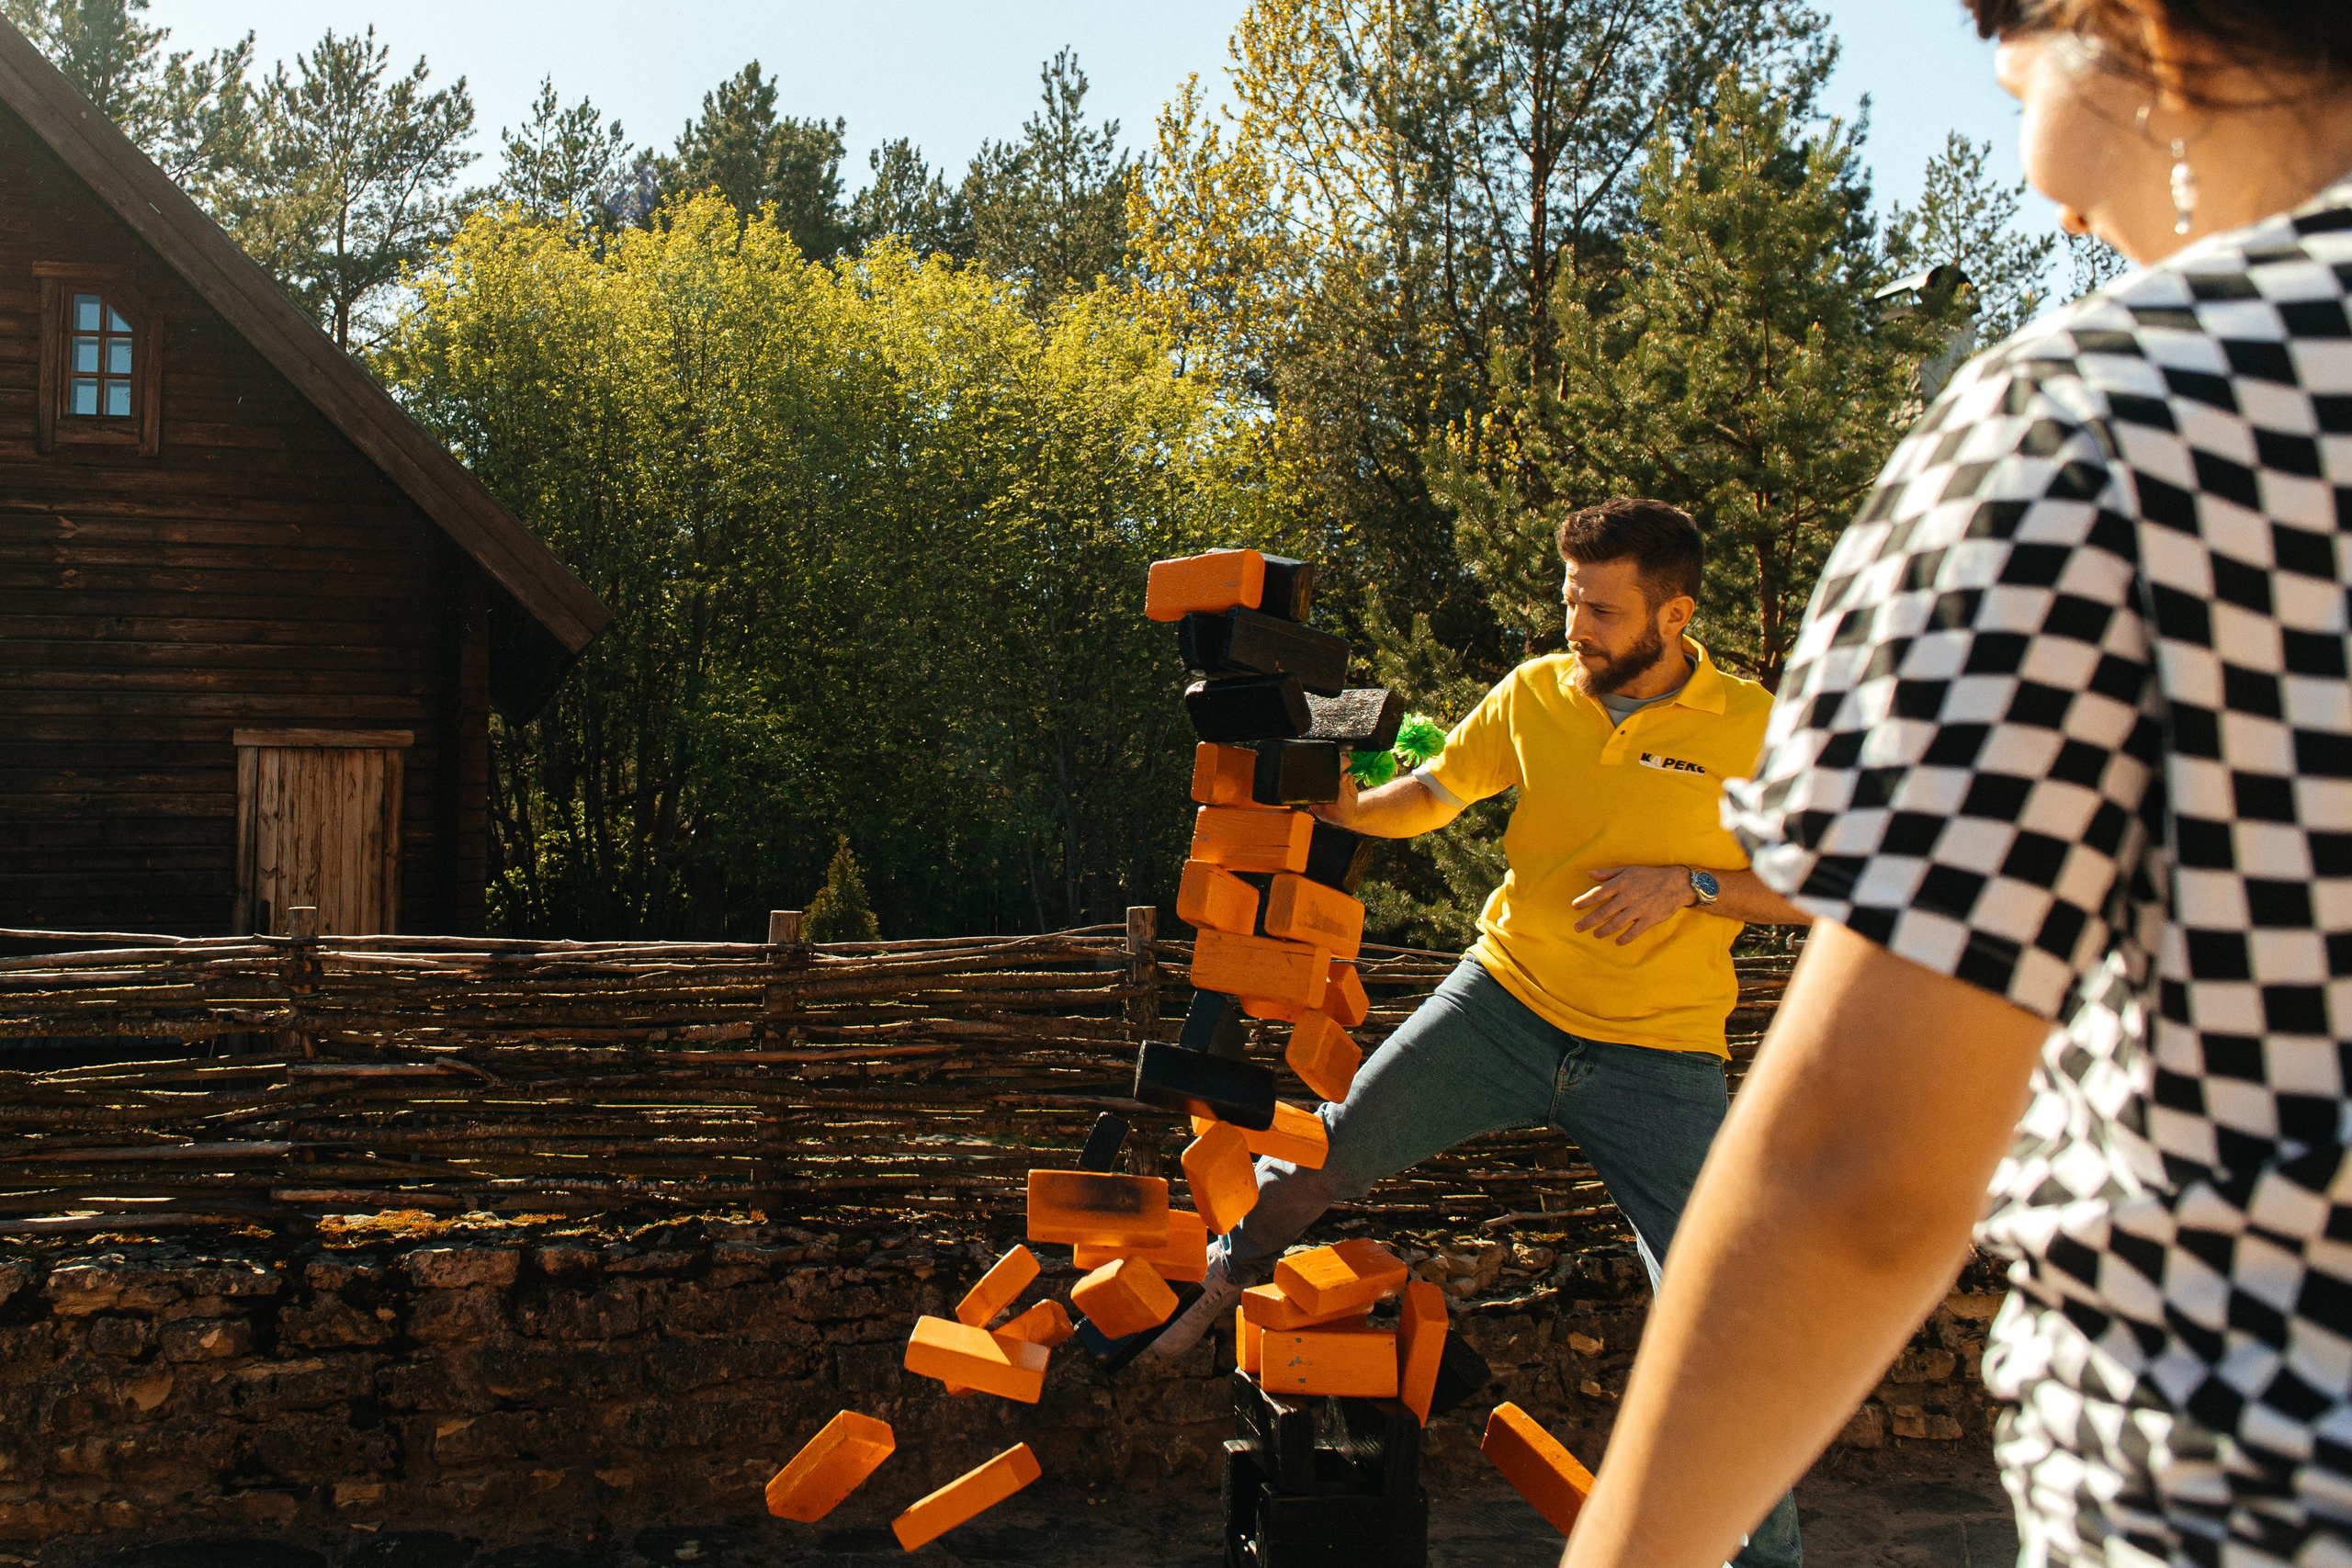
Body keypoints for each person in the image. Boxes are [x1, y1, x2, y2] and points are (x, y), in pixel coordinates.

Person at [1555, 6, 2352, 1567]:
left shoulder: (2108, 429)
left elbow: (1857, 1171)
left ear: (2136, 31)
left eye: (2015, 83)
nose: (2043, 185)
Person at [1148, 497, 1815, 1568]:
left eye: (1599, 610)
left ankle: (1765, 1558)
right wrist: (1342, 806)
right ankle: (1216, 1278)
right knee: (1328, 1149)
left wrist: (1692, 884)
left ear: (1676, 612)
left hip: (1660, 1058)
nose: (1574, 627)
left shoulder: (1757, 724)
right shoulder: (1536, 695)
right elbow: (1433, 790)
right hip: (1499, 1008)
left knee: (1721, 1312)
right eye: (1568, 602)